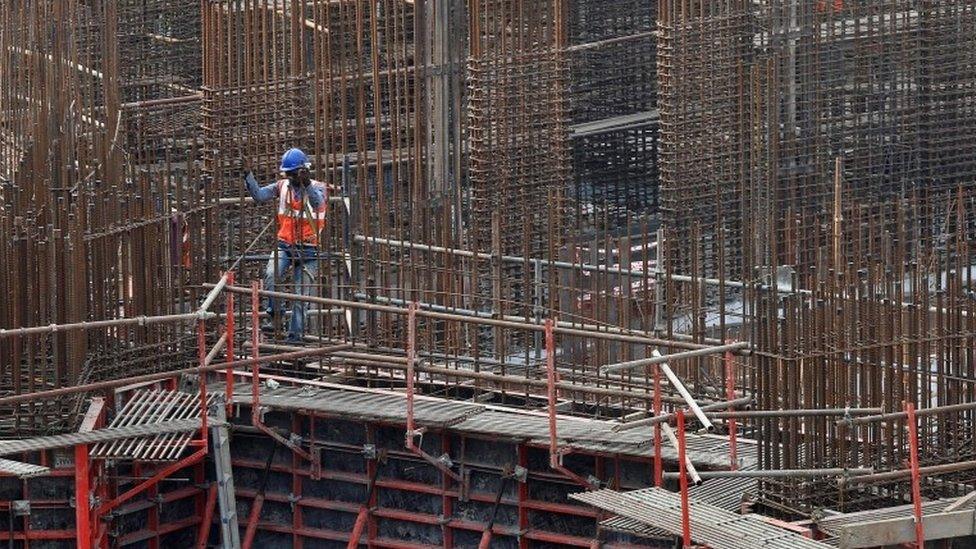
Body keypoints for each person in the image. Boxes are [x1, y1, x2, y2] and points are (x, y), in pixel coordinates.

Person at [243, 148, 330, 343]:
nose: (290, 178)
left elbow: (317, 204)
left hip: (309, 251)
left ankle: (294, 340)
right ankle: (275, 316)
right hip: (285, 245)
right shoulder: (282, 186)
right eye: (288, 174)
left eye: (293, 174)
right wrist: (248, 175)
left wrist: (306, 183)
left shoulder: (319, 187)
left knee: (300, 298)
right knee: (272, 275)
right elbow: (259, 196)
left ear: (303, 171)